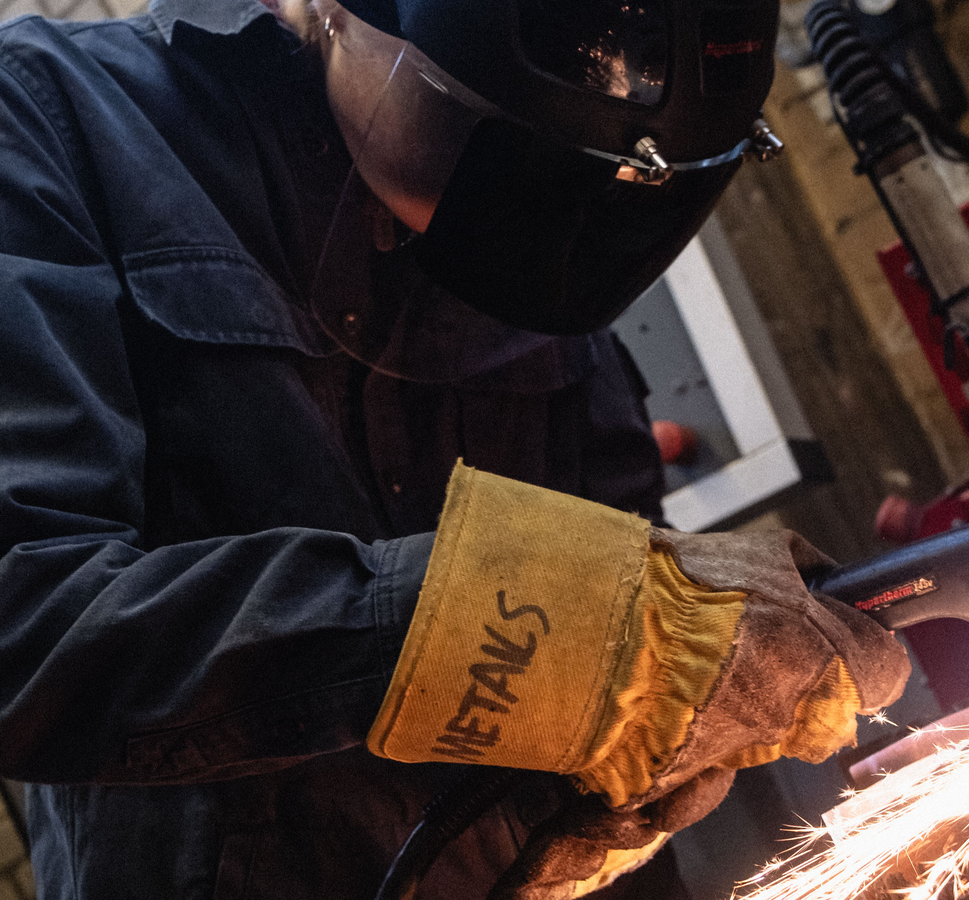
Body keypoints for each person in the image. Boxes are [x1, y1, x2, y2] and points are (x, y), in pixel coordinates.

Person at [0, 0, 911, 897]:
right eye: (495, 147)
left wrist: (657, 739)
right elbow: (25, 622)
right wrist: (508, 631)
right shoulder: (52, 114)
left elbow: (629, 553)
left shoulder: (555, 222)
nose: (550, 220)